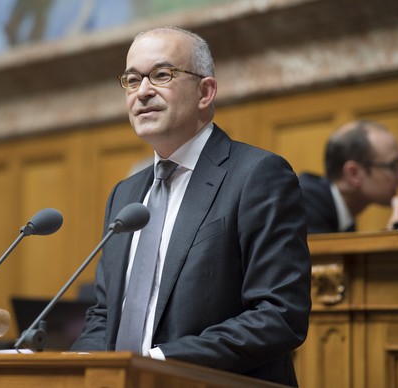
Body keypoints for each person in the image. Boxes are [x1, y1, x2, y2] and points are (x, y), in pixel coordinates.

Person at [71, 26, 311, 387]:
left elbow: (279, 315)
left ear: (205, 91)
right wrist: (81, 364)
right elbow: (105, 315)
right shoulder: (126, 194)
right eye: (132, 80)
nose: (143, 92)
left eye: (162, 75)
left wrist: (158, 362)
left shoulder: (257, 175)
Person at [298, 120, 398, 234]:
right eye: (393, 166)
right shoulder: (302, 206)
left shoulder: (341, 211)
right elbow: (321, 262)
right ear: (354, 174)